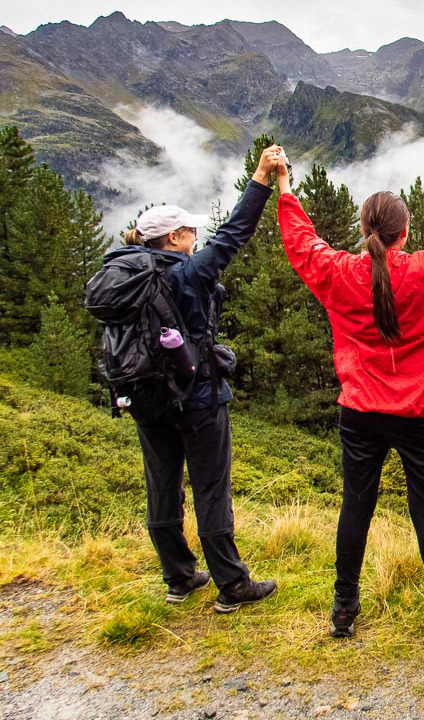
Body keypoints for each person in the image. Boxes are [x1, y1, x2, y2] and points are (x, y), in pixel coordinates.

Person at [275, 142, 424, 644]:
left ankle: (344, 611)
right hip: (420, 413)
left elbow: (303, 244)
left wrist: (284, 188)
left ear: (365, 232)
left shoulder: (341, 274)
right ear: (404, 233)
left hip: (360, 410)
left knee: (355, 505)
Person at [115, 146, 283, 613]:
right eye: (190, 230)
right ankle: (232, 585)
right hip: (197, 398)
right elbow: (232, 236)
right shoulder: (187, 275)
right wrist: (261, 180)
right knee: (211, 487)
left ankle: (179, 577)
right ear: (173, 238)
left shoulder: (128, 278)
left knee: (161, 484)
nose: (196, 235)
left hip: (145, 397)